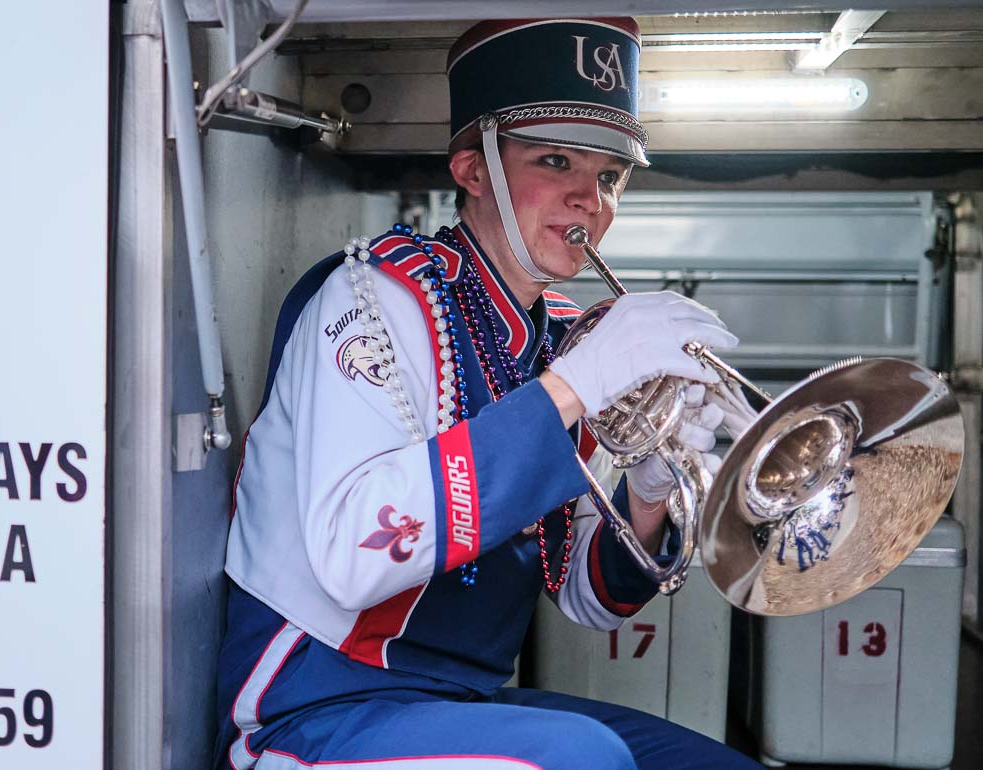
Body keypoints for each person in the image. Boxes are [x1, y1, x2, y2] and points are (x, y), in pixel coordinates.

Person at [213, 17, 764, 770]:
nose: (588, 200)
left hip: (459, 707)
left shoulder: (564, 340)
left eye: (607, 177)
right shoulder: (376, 295)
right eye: (556, 160)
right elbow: (353, 555)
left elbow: (588, 599)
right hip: (312, 708)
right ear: (474, 171)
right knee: (584, 759)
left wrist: (648, 487)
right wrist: (575, 388)